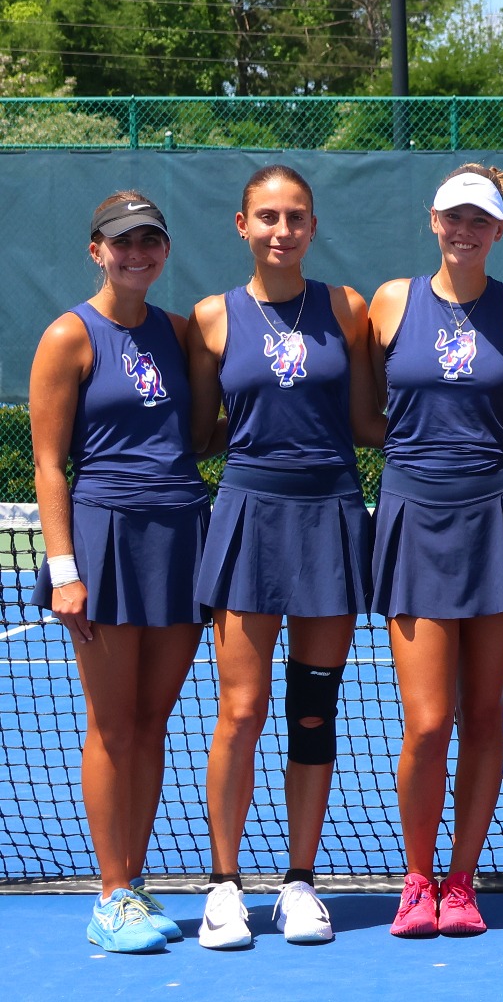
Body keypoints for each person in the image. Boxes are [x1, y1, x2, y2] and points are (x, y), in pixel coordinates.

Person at [184, 165, 383, 948]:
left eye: (295, 217)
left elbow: (367, 420)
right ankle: (224, 886)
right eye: (267, 216)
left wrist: (483, 432)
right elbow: (201, 435)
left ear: (312, 226)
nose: (282, 230)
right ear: (242, 226)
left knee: (312, 708)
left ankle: (300, 882)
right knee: (240, 710)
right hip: (247, 518)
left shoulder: (348, 309)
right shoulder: (210, 319)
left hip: (331, 515)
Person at [368, 164, 503, 938]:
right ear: (432, 220)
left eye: (480, 220)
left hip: (494, 518)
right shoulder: (388, 302)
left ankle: (462, 881)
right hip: (413, 518)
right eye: (454, 217)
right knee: (427, 721)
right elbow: (364, 414)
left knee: (482, 713)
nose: (465, 231)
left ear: (498, 230)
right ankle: (418, 879)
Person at [31, 192, 209, 953]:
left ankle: (132, 883)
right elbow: (48, 464)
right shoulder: (68, 336)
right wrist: (64, 570)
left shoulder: (179, 332)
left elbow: (201, 433)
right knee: (111, 724)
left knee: (151, 721)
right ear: (96, 250)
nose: (137, 253)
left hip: (182, 536)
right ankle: (109, 897)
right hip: (104, 542)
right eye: (122, 241)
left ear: (164, 250)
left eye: (149, 241)